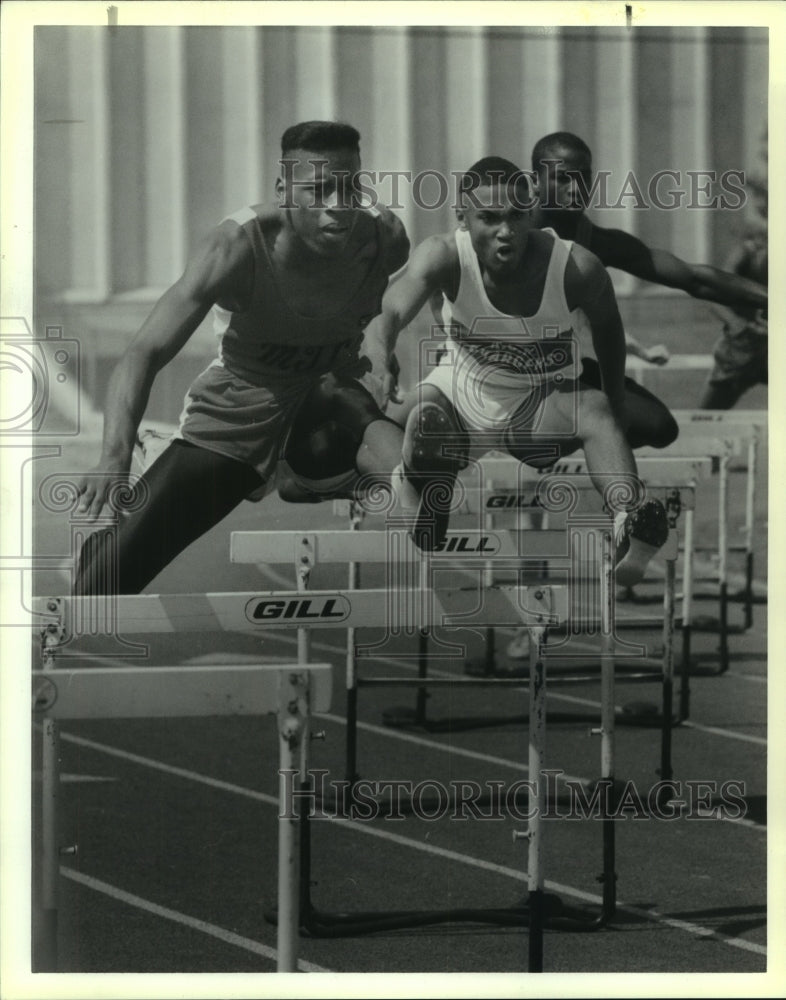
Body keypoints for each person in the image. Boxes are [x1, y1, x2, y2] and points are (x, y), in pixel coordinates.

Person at [73, 120, 409, 595]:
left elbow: (373, 310)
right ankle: (152, 463)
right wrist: (112, 455)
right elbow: (143, 352)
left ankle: (408, 487)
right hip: (240, 410)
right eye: (318, 191)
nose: (339, 208)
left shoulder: (384, 242)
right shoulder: (235, 247)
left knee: (343, 398)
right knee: (99, 590)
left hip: (324, 407)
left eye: (351, 188)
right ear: (284, 190)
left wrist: (379, 352)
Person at [362, 156, 669, 588]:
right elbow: (390, 310)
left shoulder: (575, 266)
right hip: (458, 395)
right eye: (489, 218)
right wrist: (380, 358)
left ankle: (628, 519)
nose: (505, 231)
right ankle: (421, 487)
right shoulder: (443, 255)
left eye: (515, 217)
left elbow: (610, 331)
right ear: (463, 218)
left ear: (529, 214)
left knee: (596, 409)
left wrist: (616, 405)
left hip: (537, 403)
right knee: (386, 422)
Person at [531, 131, 768, 444]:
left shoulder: (598, 242)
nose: (575, 189)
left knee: (659, 427)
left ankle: (572, 444)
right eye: (562, 179)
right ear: (534, 181)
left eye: (583, 178)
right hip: (499, 371)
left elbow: (694, 278)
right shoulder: (507, 233)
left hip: (558, 371)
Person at [699, 171, 768, 408]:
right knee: (705, 420)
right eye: (759, 196)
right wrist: (738, 326)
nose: (760, 203)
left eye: (766, 196)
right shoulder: (752, 246)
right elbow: (711, 293)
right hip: (745, 347)